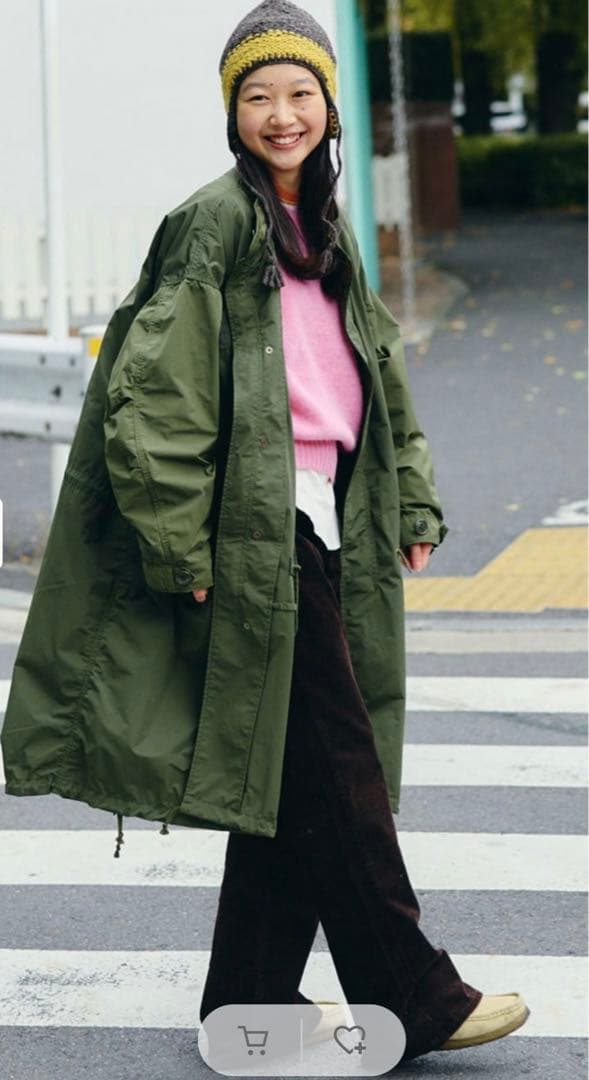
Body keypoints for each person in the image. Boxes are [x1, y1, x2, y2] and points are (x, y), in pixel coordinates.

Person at [1, 0, 529, 1065]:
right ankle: (412, 992)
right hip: (254, 527)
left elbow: (376, 374)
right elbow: (154, 399)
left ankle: (245, 1003)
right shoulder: (215, 222)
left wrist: (411, 499)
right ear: (232, 112)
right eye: (257, 96)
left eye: (299, 93)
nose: (281, 114)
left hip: (326, 515)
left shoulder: (324, 225)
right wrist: (179, 545)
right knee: (337, 766)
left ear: (327, 105)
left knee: (292, 769)